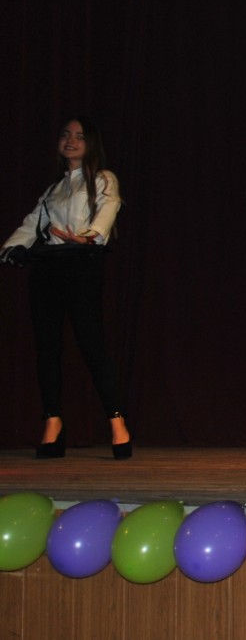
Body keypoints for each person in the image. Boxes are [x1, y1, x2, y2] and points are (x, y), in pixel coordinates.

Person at [1, 117, 132, 459]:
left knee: (91, 342)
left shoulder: (103, 179)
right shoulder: (54, 190)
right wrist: (11, 248)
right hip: (49, 267)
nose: (70, 140)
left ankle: (117, 421)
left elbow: (108, 210)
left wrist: (87, 237)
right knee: (47, 346)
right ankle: (52, 422)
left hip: (82, 264)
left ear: (91, 143)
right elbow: (32, 223)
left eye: (79, 136)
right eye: (65, 135)